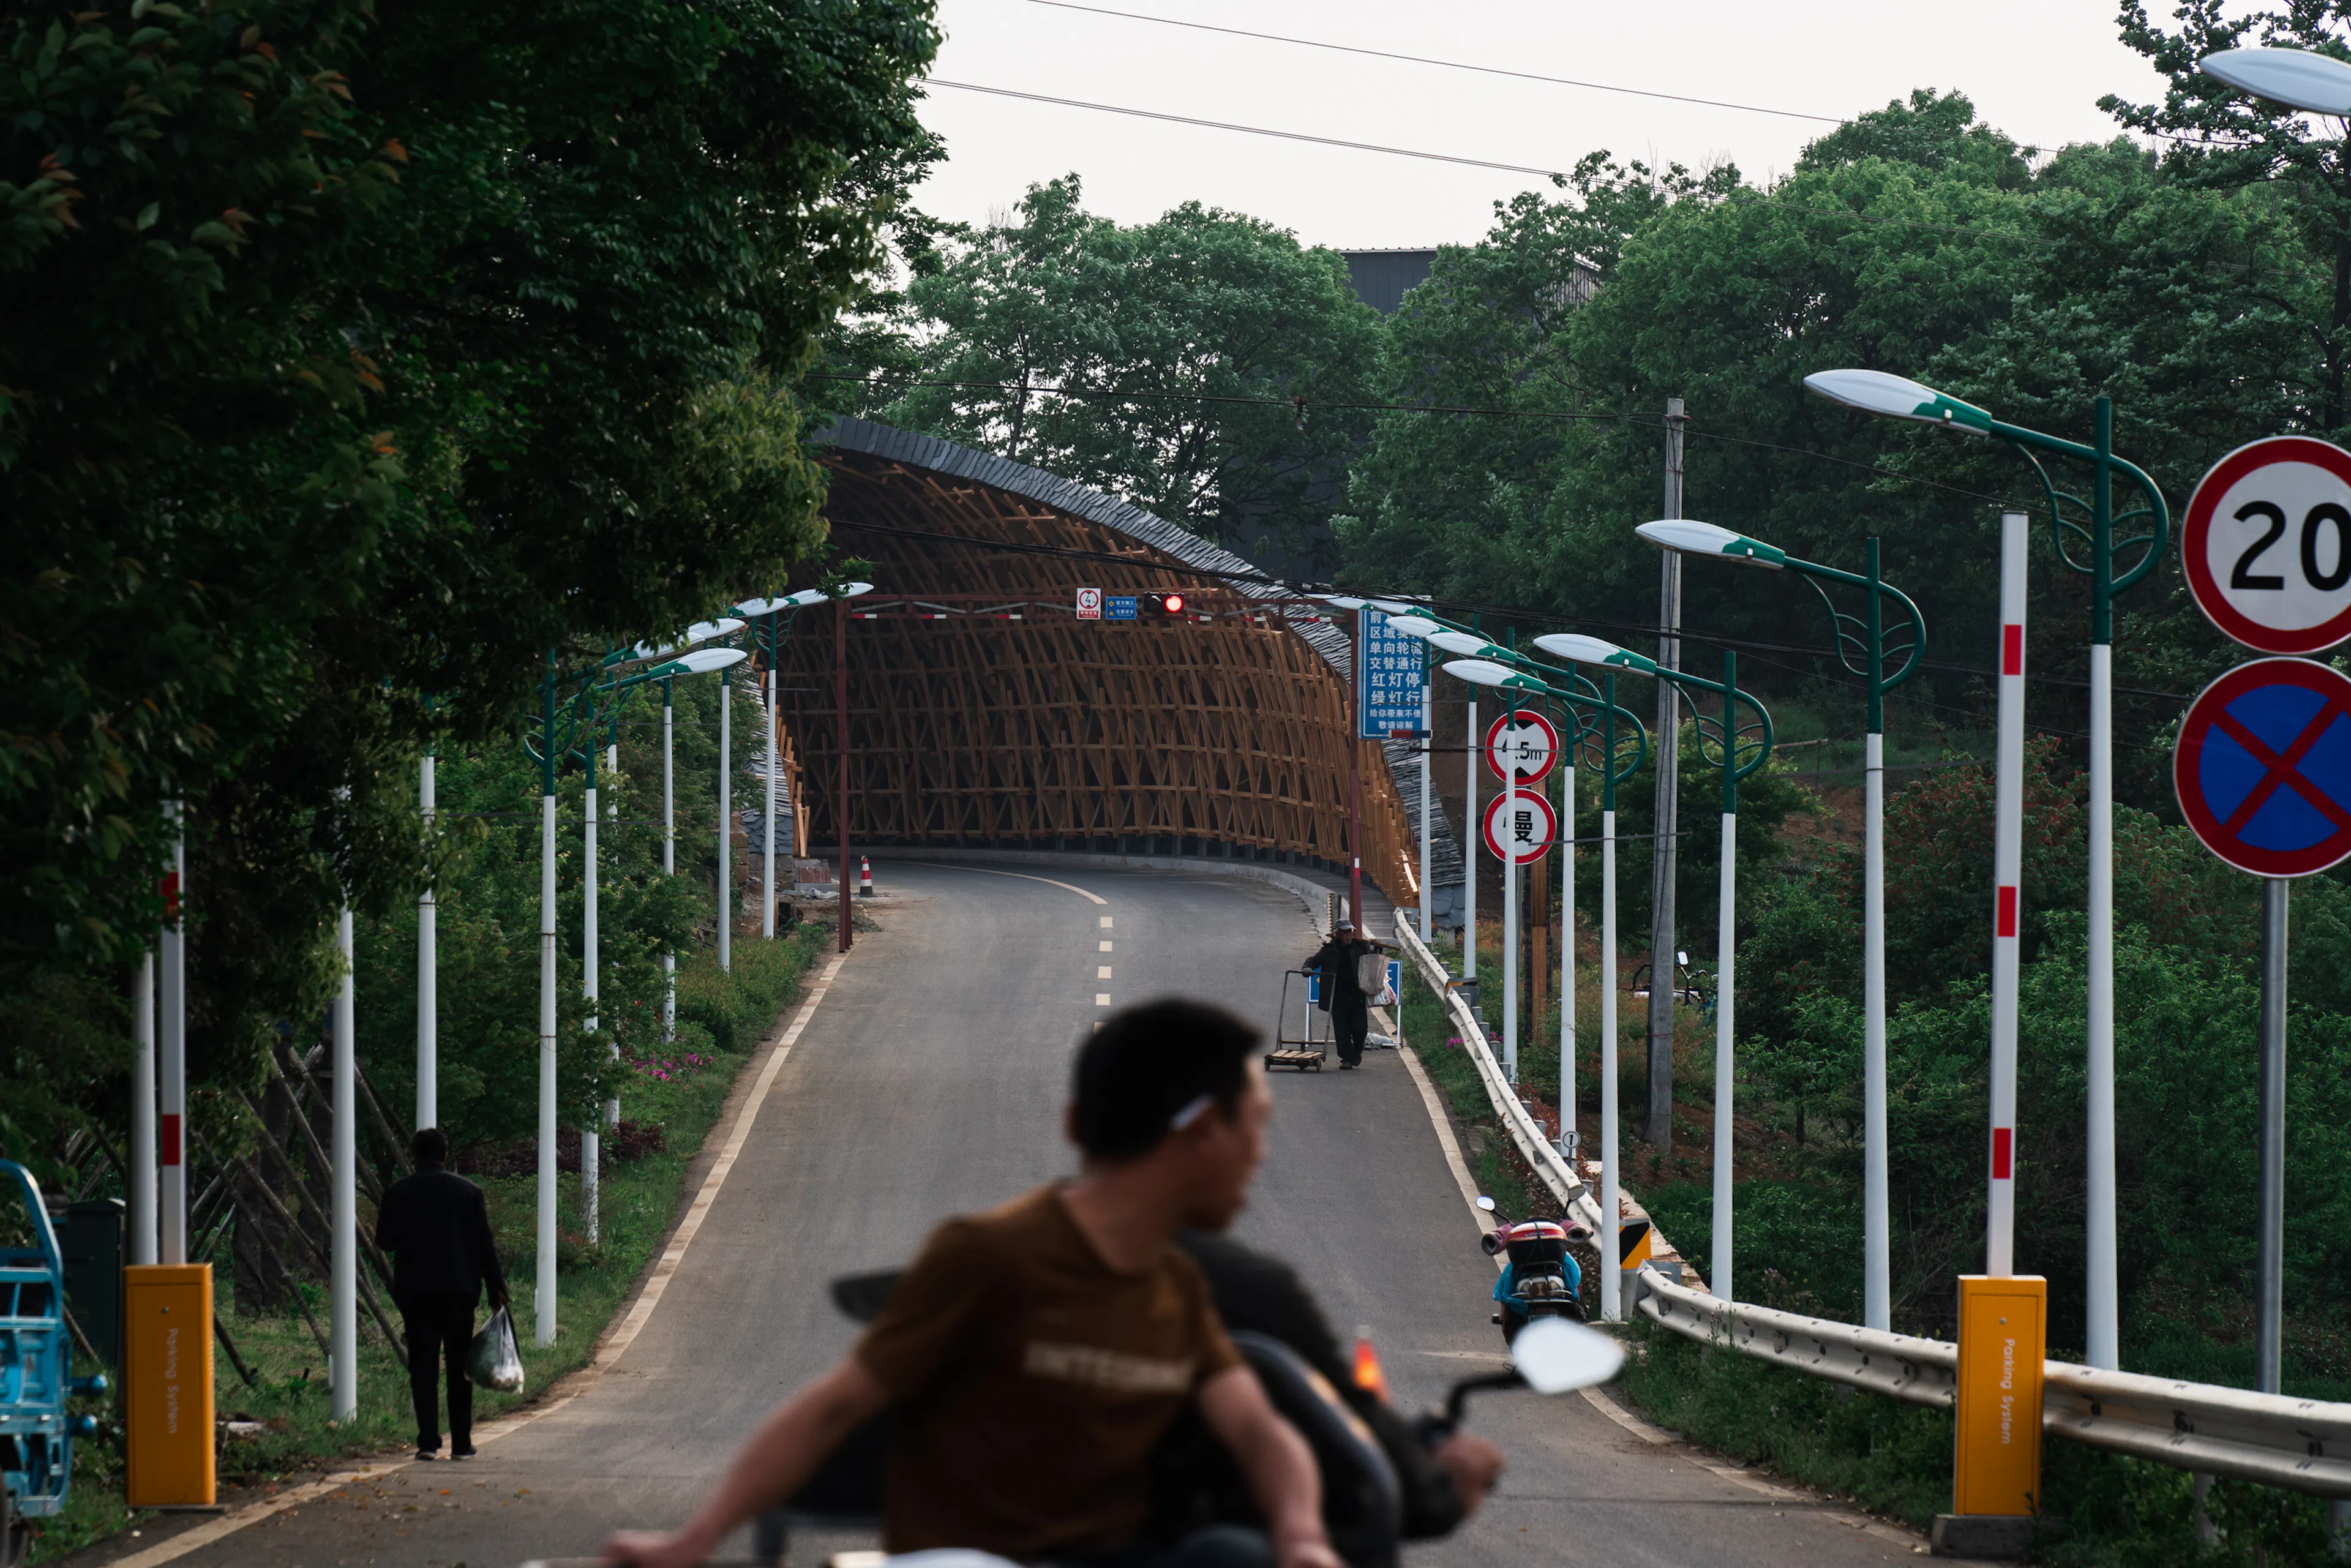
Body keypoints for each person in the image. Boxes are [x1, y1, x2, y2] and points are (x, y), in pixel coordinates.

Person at [603, 1000, 1341, 1568]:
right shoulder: (990, 1256)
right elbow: (834, 1409)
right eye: (1256, 1126)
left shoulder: (1171, 1287)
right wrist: (692, 1540)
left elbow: (1257, 1428)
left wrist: (1303, 1534)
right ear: (1198, 1134)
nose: (1260, 1155)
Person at [1172, 1232, 1505, 1540]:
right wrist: (1443, 1490)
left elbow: (1257, 1427)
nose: (1255, 1162)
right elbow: (1341, 1425)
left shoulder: (1176, 1275)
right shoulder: (1240, 1286)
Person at [373, 1126, 509, 1461]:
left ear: (413, 1154)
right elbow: (485, 1247)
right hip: (459, 1292)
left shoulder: (397, 1192)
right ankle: (461, 1443)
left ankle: (428, 1443)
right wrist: (496, 1289)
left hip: (416, 1292)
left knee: (423, 1367)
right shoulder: (468, 1192)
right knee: (459, 1368)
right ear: (446, 1155)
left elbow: (384, 1241)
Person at [1301, 923, 1384, 1070]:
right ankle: (1346, 1059)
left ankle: (1357, 1052)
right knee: (1342, 1031)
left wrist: (1377, 948)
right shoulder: (1328, 951)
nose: (1349, 935)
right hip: (1337, 997)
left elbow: (1373, 959)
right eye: (1345, 933)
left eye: (1350, 932)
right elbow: (1313, 961)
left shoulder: (1360, 948)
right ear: (1337, 934)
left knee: (1360, 1030)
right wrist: (1307, 968)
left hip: (1357, 996)